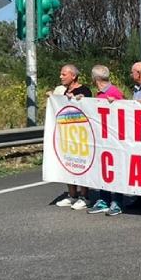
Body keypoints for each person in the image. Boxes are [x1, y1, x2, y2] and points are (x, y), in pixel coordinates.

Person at [51, 64, 94, 210]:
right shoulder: (63, 91)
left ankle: (85, 196)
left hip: (81, 135)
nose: (61, 77)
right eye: (61, 74)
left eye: (64, 74)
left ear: (73, 76)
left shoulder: (84, 90)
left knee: (82, 165)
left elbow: (88, 107)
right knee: (68, 164)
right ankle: (72, 195)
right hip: (67, 134)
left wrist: (77, 99)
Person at [87, 65, 125, 216]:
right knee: (103, 169)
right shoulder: (100, 93)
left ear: (95, 78)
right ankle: (103, 199)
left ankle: (117, 201)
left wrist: (116, 103)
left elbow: (126, 111)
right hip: (102, 138)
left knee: (115, 169)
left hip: (114, 138)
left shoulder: (113, 92)